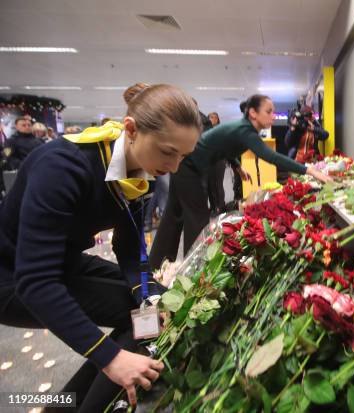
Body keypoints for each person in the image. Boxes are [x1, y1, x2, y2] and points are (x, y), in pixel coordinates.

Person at [0, 83, 202, 411]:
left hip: (63, 263)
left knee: (153, 312)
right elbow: (35, 281)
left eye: (183, 156)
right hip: (14, 277)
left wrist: (146, 293)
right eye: (168, 152)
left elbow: (128, 245)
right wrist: (110, 359)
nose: (175, 167)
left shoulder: (135, 170)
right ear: (132, 130)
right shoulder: (63, 167)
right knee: (137, 326)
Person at [149, 94, 332, 269]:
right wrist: (309, 170)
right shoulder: (245, 130)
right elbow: (272, 157)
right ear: (253, 113)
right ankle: (196, 268)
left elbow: (223, 146)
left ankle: (156, 263)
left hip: (185, 165)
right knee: (197, 221)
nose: (273, 115)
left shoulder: (243, 129)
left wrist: (237, 166)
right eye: (268, 111)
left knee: (173, 216)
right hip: (189, 167)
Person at [206, 111, 227, 216]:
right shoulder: (205, 131)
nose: (213, 119)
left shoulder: (221, 130)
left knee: (218, 184)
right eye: (211, 117)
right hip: (208, 161)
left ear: (218, 119)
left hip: (219, 160)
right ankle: (213, 206)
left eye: (215, 117)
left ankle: (221, 206)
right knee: (210, 185)